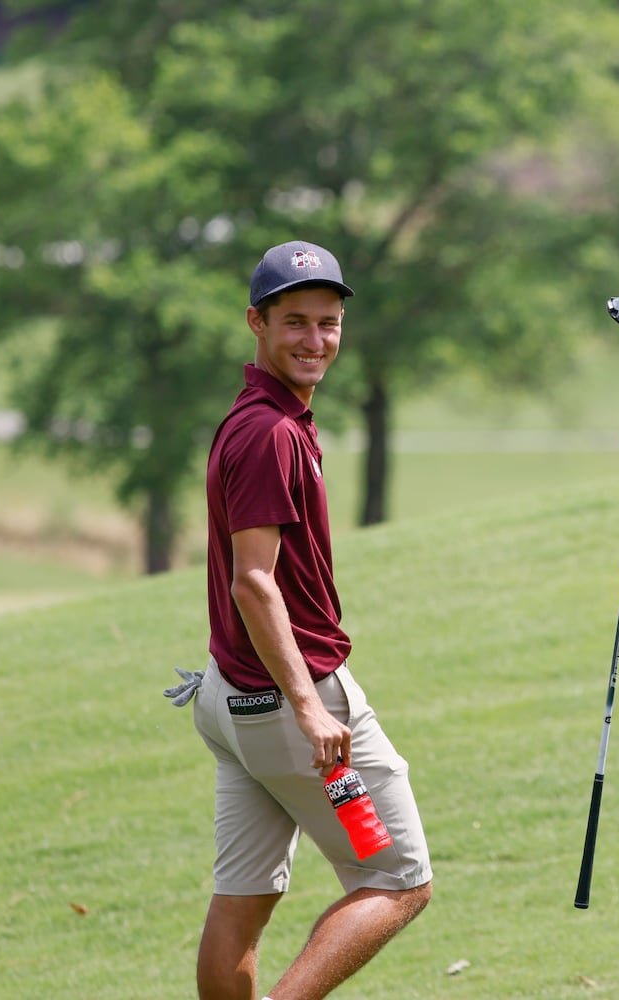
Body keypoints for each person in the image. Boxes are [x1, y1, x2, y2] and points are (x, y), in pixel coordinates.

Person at [166, 240, 432, 1000]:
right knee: (398, 879)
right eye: (294, 323)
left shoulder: (255, 417)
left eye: (328, 323)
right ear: (256, 323)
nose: (315, 340)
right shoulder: (272, 434)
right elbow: (255, 582)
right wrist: (312, 707)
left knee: (245, 896)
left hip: (232, 705)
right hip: (294, 712)